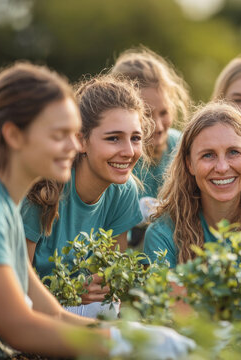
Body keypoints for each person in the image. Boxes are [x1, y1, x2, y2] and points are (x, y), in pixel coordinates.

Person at [0, 63, 193, 359]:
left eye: (73, 133)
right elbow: (17, 327)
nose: (71, 145)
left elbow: (53, 314)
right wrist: (120, 347)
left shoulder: (2, 204)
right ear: (14, 135)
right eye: (58, 134)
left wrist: (134, 335)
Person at [21, 75, 150, 316]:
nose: (129, 151)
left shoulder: (123, 190)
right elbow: (18, 282)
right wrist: (67, 293)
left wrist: (98, 286)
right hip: (27, 305)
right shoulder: (42, 187)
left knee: (109, 308)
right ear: (81, 140)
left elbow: (110, 275)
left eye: (135, 138)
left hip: (76, 307)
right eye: (113, 138)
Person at [143, 102, 241, 269]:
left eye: (234, 152)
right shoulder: (162, 233)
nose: (222, 167)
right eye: (208, 155)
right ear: (189, 163)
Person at [110, 46, 191, 246]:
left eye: (164, 113)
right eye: (146, 115)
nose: (159, 126)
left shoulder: (181, 146)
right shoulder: (114, 159)